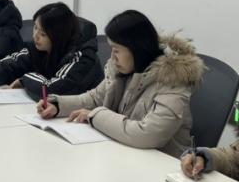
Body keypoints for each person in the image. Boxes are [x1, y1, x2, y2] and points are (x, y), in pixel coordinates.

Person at [37, 9, 203, 156]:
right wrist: (58, 105)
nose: (112, 56)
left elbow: (148, 134)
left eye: (116, 50)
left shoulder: (173, 80)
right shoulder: (122, 70)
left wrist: (96, 115)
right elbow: (95, 98)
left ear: (136, 49)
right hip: (125, 153)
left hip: (164, 164)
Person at [0, 2, 102, 99]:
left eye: (43, 34)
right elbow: (10, 64)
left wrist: (25, 80)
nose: (35, 36)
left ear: (59, 37)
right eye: (35, 28)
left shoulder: (81, 57)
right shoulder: (39, 48)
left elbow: (54, 90)